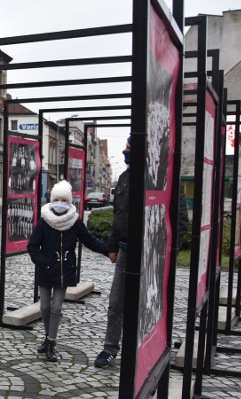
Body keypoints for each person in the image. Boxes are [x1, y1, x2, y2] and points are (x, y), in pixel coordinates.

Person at [94, 136, 189, 367]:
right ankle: (110, 348)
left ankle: (147, 348)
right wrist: (113, 247)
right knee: (116, 303)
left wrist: (166, 252)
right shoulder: (125, 177)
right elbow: (119, 215)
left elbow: (180, 220)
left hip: (151, 254)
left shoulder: (162, 178)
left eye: (128, 149)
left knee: (148, 304)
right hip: (125, 251)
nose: (125, 153)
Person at [28, 180, 111, 362]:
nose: (60, 203)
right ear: (51, 200)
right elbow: (32, 246)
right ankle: (47, 336)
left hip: (64, 270)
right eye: (56, 199)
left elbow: (90, 241)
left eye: (63, 200)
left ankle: (51, 342)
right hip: (46, 270)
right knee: (44, 307)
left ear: (69, 201)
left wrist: (108, 251)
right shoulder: (44, 221)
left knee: (56, 307)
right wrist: (44, 262)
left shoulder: (75, 222)